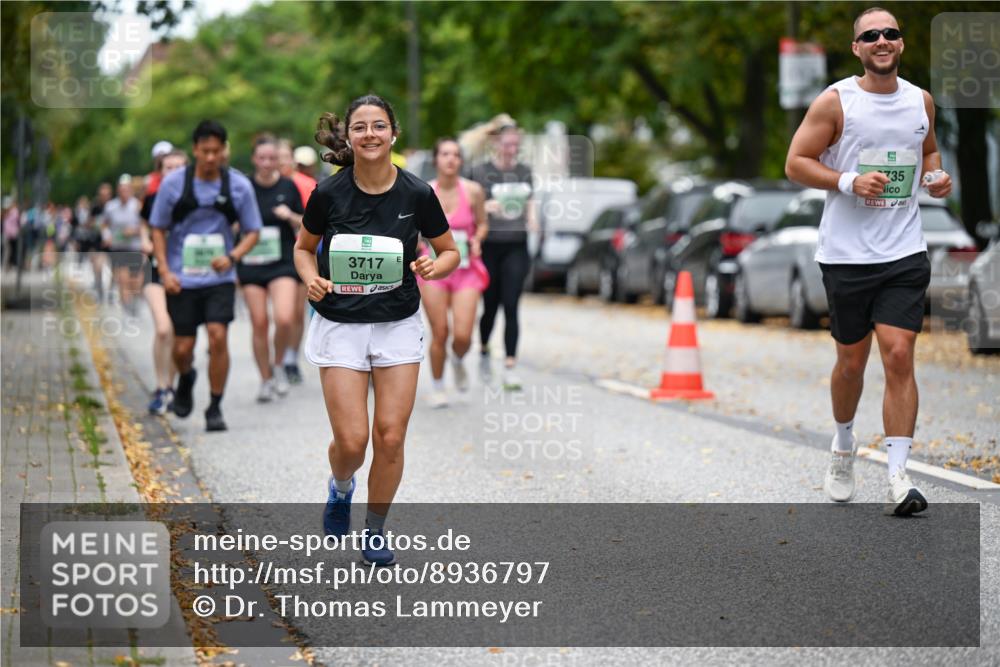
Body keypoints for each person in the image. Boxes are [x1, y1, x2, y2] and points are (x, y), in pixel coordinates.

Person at [785, 7, 952, 516]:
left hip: (904, 250)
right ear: (857, 48)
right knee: (850, 363)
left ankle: (899, 477)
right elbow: (795, 163)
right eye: (870, 35)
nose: (882, 40)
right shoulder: (838, 101)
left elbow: (928, 153)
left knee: (899, 355)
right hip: (846, 256)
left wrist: (936, 178)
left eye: (891, 33)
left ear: (901, 44)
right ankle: (842, 442)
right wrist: (846, 180)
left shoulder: (920, 100)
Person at [294, 95, 458, 565]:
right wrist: (311, 278)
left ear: (394, 133)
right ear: (349, 136)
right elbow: (303, 249)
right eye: (360, 127)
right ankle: (340, 487)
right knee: (352, 442)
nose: (370, 135)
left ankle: (375, 529)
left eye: (379, 126)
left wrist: (434, 265)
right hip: (340, 324)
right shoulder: (328, 194)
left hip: (397, 324)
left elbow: (450, 251)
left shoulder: (416, 193)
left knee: (389, 436)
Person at [150, 120, 262, 432]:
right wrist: (164, 270)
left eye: (217, 151)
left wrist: (232, 257)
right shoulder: (174, 185)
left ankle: (214, 406)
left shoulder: (238, 185)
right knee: (183, 348)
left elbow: (253, 231)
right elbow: (157, 228)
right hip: (181, 279)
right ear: (195, 150)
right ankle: (186, 378)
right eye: (205, 151)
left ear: (224, 151)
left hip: (219, 279)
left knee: (218, 336)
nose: (211, 157)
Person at [418, 138, 489, 408]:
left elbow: (482, 224)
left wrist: (478, 239)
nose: (451, 159)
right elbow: (412, 227)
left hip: (465, 269)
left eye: (456, 155)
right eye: (445, 154)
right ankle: (437, 387)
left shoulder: (473, 191)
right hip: (432, 268)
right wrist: (416, 241)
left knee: (463, 335)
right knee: (440, 331)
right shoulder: (424, 192)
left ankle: (458, 360)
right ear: (436, 159)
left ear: (461, 161)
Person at [239, 135, 305, 402]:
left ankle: (278, 364)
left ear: (278, 160)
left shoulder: (288, 186)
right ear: (254, 159)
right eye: (262, 158)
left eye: (272, 158)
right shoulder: (244, 188)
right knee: (259, 323)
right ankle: (265, 379)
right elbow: (231, 221)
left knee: (285, 318)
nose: (267, 163)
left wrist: (289, 216)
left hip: (281, 262)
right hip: (252, 263)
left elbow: (305, 221)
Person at [469, 124, 535, 390]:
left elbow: (531, 200)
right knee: (491, 306)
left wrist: (533, 218)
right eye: (507, 144)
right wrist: (486, 207)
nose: (512, 150)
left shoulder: (524, 172)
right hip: (490, 246)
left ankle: (510, 366)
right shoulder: (482, 171)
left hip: (517, 245)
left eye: (515, 145)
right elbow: (470, 205)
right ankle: (484, 348)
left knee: (511, 305)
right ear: (496, 144)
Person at [140, 149, 188, 415]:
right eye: (168, 167)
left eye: (180, 167)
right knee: (163, 329)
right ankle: (160, 387)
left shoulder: (196, 199)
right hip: (156, 271)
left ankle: (170, 387)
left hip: (184, 273)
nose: (174, 172)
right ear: (161, 171)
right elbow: (143, 225)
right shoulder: (152, 197)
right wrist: (145, 240)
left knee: (179, 335)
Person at [277, 140, 319, 385]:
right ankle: (278, 359)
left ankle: (291, 358)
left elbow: (313, 221)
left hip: (302, 251)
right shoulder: (261, 185)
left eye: (285, 157)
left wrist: (291, 217)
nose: (282, 162)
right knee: (281, 314)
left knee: (294, 312)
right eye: (278, 157)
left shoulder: (305, 184)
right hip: (272, 255)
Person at [103, 176, 145, 315]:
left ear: (131, 191)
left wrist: (133, 231)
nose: (124, 193)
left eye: (126, 190)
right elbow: (104, 225)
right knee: (122, 277)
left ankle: (135, 299)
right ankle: (126, 306)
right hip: (118, 246)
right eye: (121, 190)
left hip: (134, 246)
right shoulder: (110, 206)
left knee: (135, 278)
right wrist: (107, 236)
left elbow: (145, 226)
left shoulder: (137, 206)